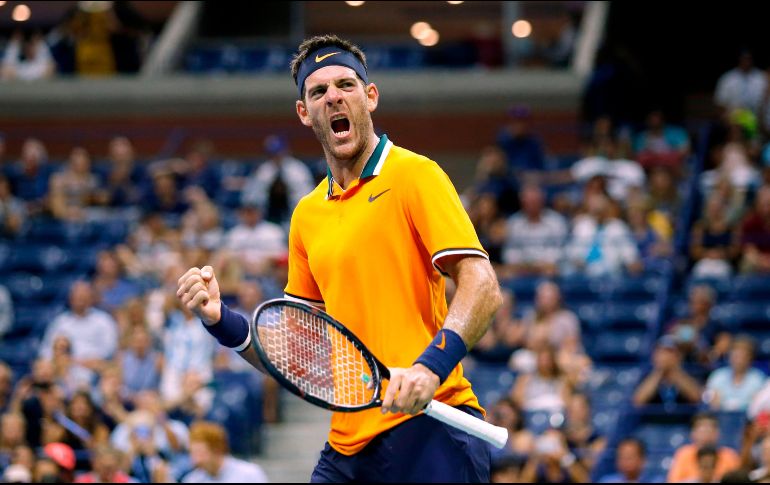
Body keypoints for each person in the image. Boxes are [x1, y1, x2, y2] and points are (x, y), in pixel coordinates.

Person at [176, 34, 502, 482]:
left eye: (346, 85)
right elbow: (298, 354)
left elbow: (482, 284)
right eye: (318, 91)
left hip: (431, 423)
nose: (333, 97)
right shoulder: (306, 215)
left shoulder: (415, 175)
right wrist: (220, 320)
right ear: (304, 112)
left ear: (370, 97)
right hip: (347, 445)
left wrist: (430, 368)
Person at [182, 421, 268, 483]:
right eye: (192, 453)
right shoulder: (192, 480)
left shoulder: (250, 474)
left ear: (217, 450)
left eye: (200, 453)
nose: (195, 461)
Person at [667, 412, 741, 483]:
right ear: (693, 433)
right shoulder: (683, 454)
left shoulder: (730, 456)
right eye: (703, 430)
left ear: (718, 433)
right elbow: (673, 481)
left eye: (710, 429)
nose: (707, 434)